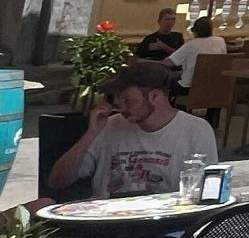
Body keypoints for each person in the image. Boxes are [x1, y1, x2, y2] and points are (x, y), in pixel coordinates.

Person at [47, 61, 218, 199]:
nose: (121, 108)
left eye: (129, 101)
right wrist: (91, 133)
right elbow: (58, 181)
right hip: (107, 221)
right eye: (118, 102)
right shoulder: (110, 125)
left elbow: (208, 192)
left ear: (155, 97)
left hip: (164, 223)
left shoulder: (195, 130)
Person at [165, 15, 229, 85]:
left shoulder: (191, 44)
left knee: (164, 78)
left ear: (195, 31)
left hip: (189, 85)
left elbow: (169, 63)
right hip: (213, 83)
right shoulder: (220, 41)